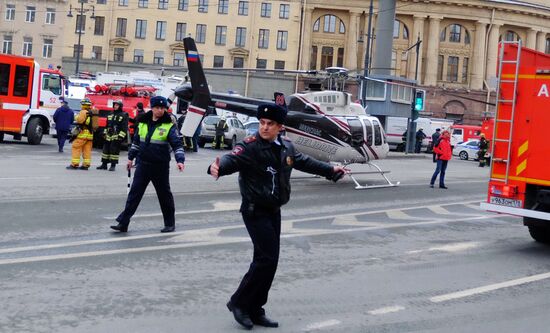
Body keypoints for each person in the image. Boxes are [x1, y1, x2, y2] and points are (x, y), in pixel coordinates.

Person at [208, 103, 349, 330]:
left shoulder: (286, 147)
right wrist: (217, 168)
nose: (264, 127)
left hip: (274, 210)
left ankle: (255, 308)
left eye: (270, 124)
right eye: (262, 123)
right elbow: (231, 159)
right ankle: (239, 303)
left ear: (280, 127)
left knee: (269, 263)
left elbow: (304, 162)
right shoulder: (250, 147)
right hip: (255, 211)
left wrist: (330, 171)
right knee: (267, 259)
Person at [111, 96, 185, 233]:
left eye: (162, 108)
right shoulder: (143, 123)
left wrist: (180, 160)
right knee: (134, 195)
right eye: (157, 108)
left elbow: (177, 145)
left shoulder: (169, 125)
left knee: (164, 196)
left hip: (160, 166)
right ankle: (123, 223)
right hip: (143, 164)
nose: (160, 110)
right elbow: (136, 143)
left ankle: (169, 223)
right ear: (152, 108)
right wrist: (130, 158)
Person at [97, 100, 128, 171]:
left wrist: (121, 136)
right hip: (108, 135)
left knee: (114, 151)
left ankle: (113, 165)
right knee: (105, 150)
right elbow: (107, 125)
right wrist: (104, 133)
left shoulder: (124, 114)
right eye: (114, 105)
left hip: (117, 136)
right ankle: (104, 165)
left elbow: (124, 127)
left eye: (117, 105)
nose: (115, 106)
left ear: (120, 106)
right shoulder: (110, 114)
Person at [66, 98, 94, 170]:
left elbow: (80, 121)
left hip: (82, 134)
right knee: (87, 150)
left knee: (76, 147)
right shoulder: (92, 112)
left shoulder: (83, 112)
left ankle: (74, 164)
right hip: (90, 135)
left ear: (83, 105)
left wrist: (76, 117)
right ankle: (86, 165)